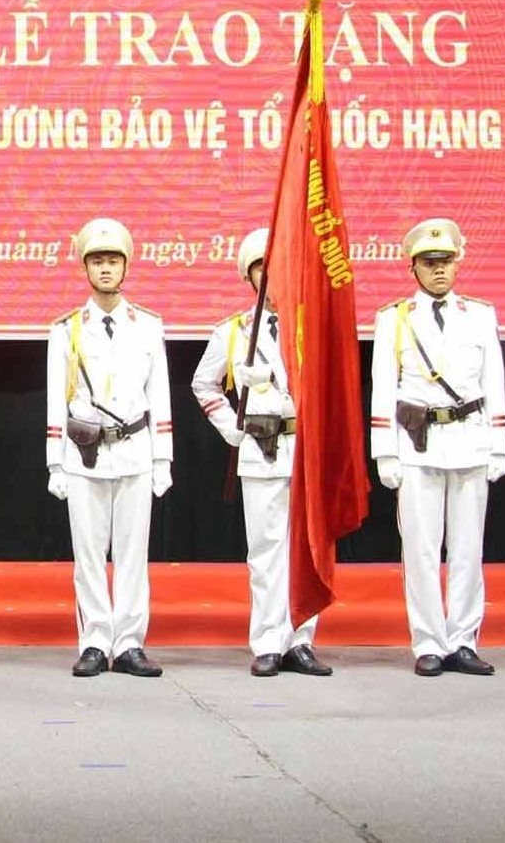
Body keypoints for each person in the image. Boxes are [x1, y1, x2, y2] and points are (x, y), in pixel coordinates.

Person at [370, 218, 505, 677]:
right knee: (422, 549)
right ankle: (428, 641)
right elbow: (383, 386)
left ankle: (464, 639)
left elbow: (494, 382)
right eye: (429, 264)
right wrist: (384, 450)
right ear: (413, 269)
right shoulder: (394, 318)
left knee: (469, 548)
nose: (439, 271)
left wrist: (499, 445)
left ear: (457, 264)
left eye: (446, 262)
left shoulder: (480, 315)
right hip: (418, 443)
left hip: (470, 438)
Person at [191, 228, 333, 677]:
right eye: (262, 272)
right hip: (261, 448)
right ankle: (269, 641)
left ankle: (302, 640)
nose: (272, 280)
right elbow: (203, 383)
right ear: (250, 278)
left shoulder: (311, 328)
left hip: (304, 448)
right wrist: (231, 424)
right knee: (266, 550)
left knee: (305, 551)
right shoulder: (233, 333)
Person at [44, 218, 173, 678]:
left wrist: (163, 457)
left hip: (136, 449)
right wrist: (54, 462)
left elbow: (159, 393)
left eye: (112, 260)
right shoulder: (66, 329)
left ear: (125, 266)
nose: (104, 269)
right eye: (96, 260)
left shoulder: (148, 326)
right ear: (84, 267)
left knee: (133, 553)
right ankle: (96, 640)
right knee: (89, 553)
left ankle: (130, 643)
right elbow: (56, 397)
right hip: (84, 454)